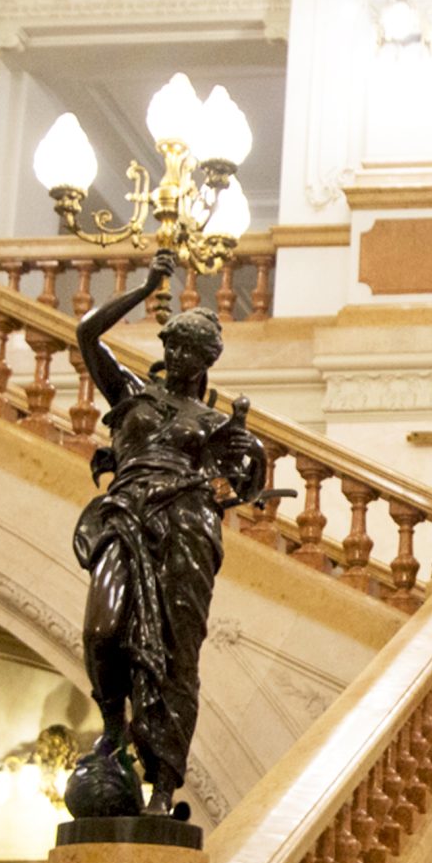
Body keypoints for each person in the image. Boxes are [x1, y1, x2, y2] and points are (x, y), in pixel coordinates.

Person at [68, 248, 269, 819]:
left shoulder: (211, 423)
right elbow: (86, 334)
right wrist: (147, 285)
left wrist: (246, 454)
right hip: (125, 515)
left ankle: (163, 785)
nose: (178, 355)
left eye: (191, 350)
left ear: (206, 360)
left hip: (184, 527)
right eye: (173, 345)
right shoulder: (131, 393)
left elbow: (248, 486)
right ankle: (112, 727)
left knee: (178, 655)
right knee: (104, 630)